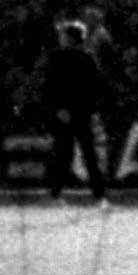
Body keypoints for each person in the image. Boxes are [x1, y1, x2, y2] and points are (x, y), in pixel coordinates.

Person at [41, 15, 112, 202]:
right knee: (80, 154)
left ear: (71, 38)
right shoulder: (83, 58)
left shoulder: (69, 58)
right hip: (77, 113)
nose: (60, 37)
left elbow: (52, 86)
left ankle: (59, 193)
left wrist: (60, 109)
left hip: (75, 113)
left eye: (63, 35)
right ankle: (96, 194)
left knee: (74, 154)